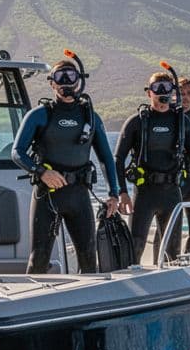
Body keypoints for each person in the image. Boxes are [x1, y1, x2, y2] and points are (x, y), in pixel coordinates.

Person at [11, 54, 123, 274]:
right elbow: (17, 152)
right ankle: (35, 306)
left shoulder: (91, 118)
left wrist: (114, 194)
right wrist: (41, 172)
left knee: (89, 259)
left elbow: (106, 158)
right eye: (59, 78)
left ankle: (87, 306)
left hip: (79, 195)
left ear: (78, 81)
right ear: (52, 83)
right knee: (39, 258)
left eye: (70, 76)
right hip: (47, 195)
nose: (65, 83)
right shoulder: (39, 115)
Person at [116, 72, 190, 263]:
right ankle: (132, 286)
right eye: (157, 88)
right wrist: (122, 192)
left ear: (173, 92)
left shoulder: (181, 122)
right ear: (148, 93)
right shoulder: (136, 122)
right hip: (144, 194)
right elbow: (118, 158)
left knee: (172, 251)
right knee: (135, 246)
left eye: (167, 88)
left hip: (171, 194)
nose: (162, 93)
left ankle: (168, 287)